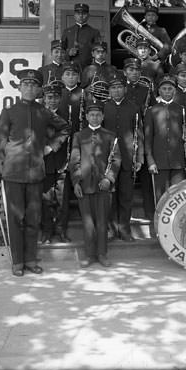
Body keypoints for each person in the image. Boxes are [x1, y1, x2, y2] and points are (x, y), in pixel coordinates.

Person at [0, 69, 70, 277]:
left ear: (39, 89)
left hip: (35, 174)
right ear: (19, 87)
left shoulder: (44, 112)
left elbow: (65, 128)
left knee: (33, 218)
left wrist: (51, 147)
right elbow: (0, 144)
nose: (30, 88)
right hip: (13, 173)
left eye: (34, 85)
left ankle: (31, 259)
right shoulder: (9, 112)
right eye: (26, 84)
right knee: (16, 219)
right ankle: (18, 262)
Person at [70, 102, 121, 268]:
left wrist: (109, 178)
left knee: (101, 221)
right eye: (91, 115)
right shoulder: (79, 136)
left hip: (103, 185)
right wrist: (76, 181)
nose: (95, 117)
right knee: (88, 223)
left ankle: (102, 254)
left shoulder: (110, 136)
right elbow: (75, 160)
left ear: (103, 117)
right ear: (86, 117)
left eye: (98, 115)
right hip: (84, 185)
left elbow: (116, 159)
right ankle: (89, 255)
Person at [103, 74, 144, 241]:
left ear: (125, 89)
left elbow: (139, 133)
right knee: (110, 197)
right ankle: (112, 229)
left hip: (128, 158)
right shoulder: (103, 107)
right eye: (113, 88)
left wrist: (140, 157)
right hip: (109, 161)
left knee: (126, 196)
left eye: (119, 87)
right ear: (109, 91)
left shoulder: (133, 107)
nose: (116, 90)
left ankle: (125, 229)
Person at [144, 75, 186, 207]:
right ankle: (160, 227)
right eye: (164, 89)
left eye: (170, 89)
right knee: (161, 198)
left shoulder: (181, 110)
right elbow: (148, 138)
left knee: (179, 197)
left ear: (174, 91)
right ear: (159, 91)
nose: (167, 91)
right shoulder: (152, 111)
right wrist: (150, 161)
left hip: (178, 161)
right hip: (158, 161)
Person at [56, 62, 84, 243]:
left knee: (84, 188)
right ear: (62, 76)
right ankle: (61, 230)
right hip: (59, 151)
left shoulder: (85, 94)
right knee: (62, 194)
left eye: (74, 74)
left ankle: (90, 229)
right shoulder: (56, 95)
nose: (71, 77)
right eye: (67, 74)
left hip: (80, 149)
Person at [40, 80, 68, 244]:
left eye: (56, 97)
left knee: (62, 201)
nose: (52, 101)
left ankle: (61, 231)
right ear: (44, 98)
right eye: (49, 97)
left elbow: (69, 133)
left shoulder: (66, 114)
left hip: (62, 162)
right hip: (43, 164)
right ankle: (47, 232)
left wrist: (51, 147)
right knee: (46, 201)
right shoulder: (38, 114)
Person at [61, 2, 101, 69]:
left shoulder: (94, 32)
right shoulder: (67, 31)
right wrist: (68, 53)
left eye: (84, 13)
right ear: (74, 15)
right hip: (70, 68)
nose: (81, 16)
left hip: (88, 67)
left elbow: (99, 51)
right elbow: (61, 51)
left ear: (88, 15)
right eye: (78, 13)